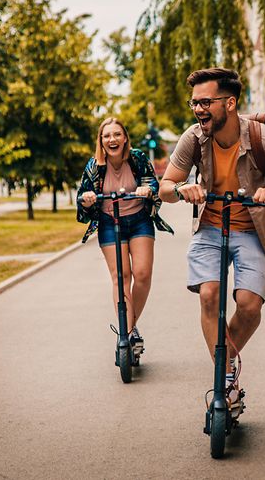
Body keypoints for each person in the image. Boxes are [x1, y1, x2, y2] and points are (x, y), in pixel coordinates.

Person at [159, 67, 265, 407]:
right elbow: (165, 187)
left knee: (249, 306)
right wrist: (182, 189)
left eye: (206, 102)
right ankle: (225, 381)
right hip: (209, 226)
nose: (198, 110)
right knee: (209, 295)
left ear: (230, 102)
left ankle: (224, 365)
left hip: (252, 229)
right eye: (194, 103)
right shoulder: (192, 138)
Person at [78, 117, 173, 352]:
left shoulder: (137, 158)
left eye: (117, 134)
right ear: (101, 141)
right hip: (111, 222)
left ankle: (129, 327)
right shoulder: (94, 166)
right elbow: (82, 201)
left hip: (139, 220)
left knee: (142, 274)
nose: (112, 139)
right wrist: (88, 201)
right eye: (107, 135)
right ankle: (127, 336)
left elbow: (154, 185)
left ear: (125, 138)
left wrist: (147, 189)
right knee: (121, 277)